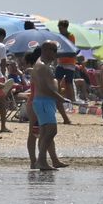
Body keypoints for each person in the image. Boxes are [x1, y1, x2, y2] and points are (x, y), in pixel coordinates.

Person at [30, 41, 67, 171]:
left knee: (45, 132)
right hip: (43, 101)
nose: (55, 54)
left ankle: (43, 161)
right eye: (53, 50)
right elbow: (43, 87)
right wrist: (60, 98)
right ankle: (41, 161)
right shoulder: (41, 66)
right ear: (45, 50)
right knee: (51, 131)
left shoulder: (45, 65)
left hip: (46, 102)